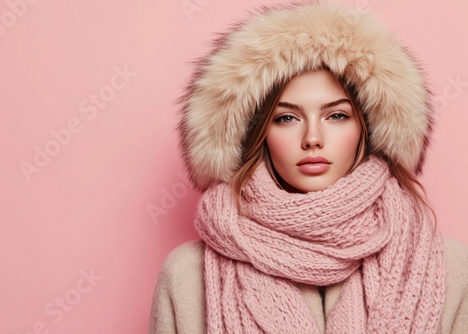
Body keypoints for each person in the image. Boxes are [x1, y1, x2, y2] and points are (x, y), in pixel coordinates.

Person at [149, 2, 468, 333]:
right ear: (257, 134)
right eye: (286, 118)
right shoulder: (187, 275)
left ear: (367, 129)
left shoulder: (450, 268)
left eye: (337, 116)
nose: (312, 138)